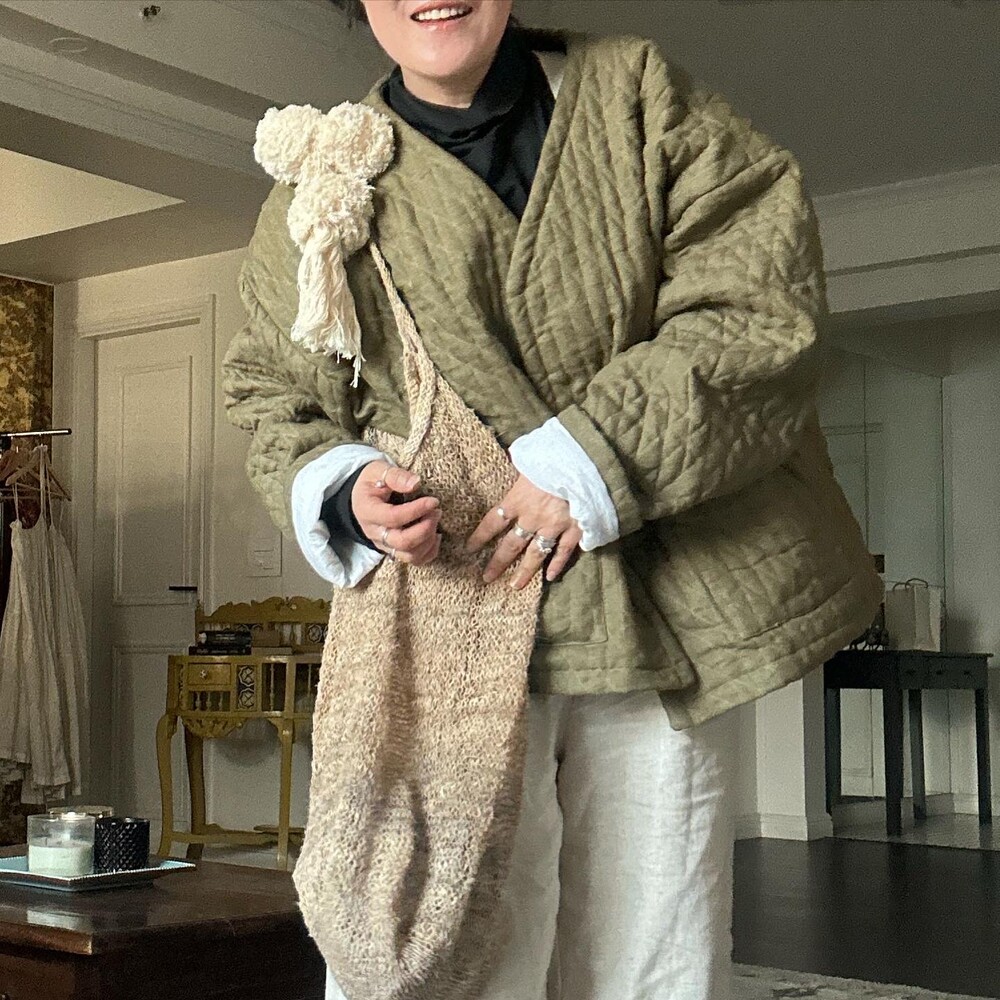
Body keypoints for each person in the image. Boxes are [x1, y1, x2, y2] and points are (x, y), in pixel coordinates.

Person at [222, 2, 882, 998]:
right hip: (447, 605)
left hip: (662, 601)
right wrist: (344, 488)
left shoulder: (637, 94)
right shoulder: (320, 181)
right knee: (448, 942)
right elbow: (273, 395)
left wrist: (592, 460)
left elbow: (758, 302)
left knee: (658, 948)